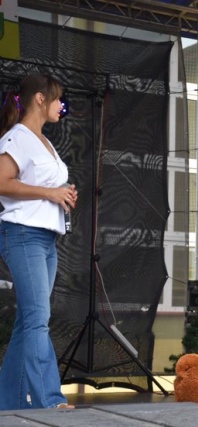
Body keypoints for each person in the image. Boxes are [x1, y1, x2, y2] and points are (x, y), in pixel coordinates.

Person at [0, 74, 78, 410]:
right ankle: (49, 399)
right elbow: (2, 181)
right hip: (22, 234)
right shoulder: (17, 137)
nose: (63, 105)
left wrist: (63, 194)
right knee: (36, 319)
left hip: (46, 239)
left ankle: (8, 401)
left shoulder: (44, 141)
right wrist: (49, 193)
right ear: (40, 99)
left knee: (28, 322)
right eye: (58, 99)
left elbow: (45, 186)